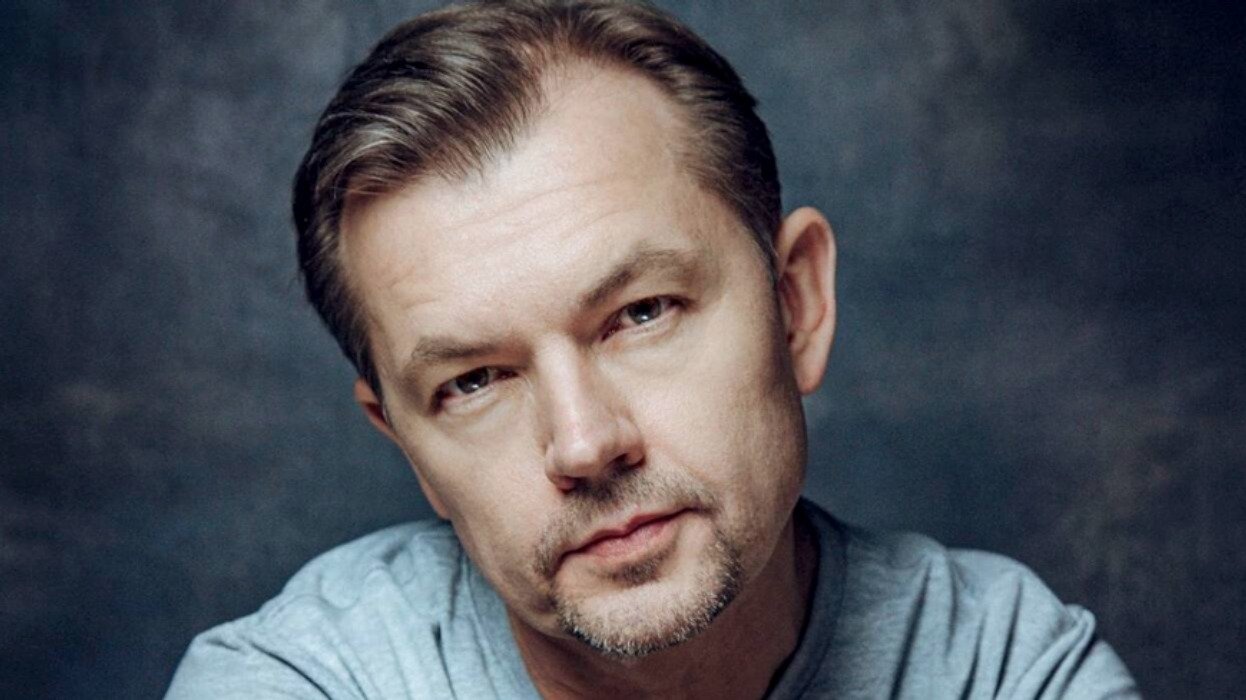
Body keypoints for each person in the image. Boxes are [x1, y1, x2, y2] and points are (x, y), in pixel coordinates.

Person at [167, 1, 1139, 697]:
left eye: (641, 314)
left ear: (796, 304)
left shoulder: (1004, 669)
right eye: (474, 380)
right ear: (407, 444)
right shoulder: (297, 681)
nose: (585, 443)